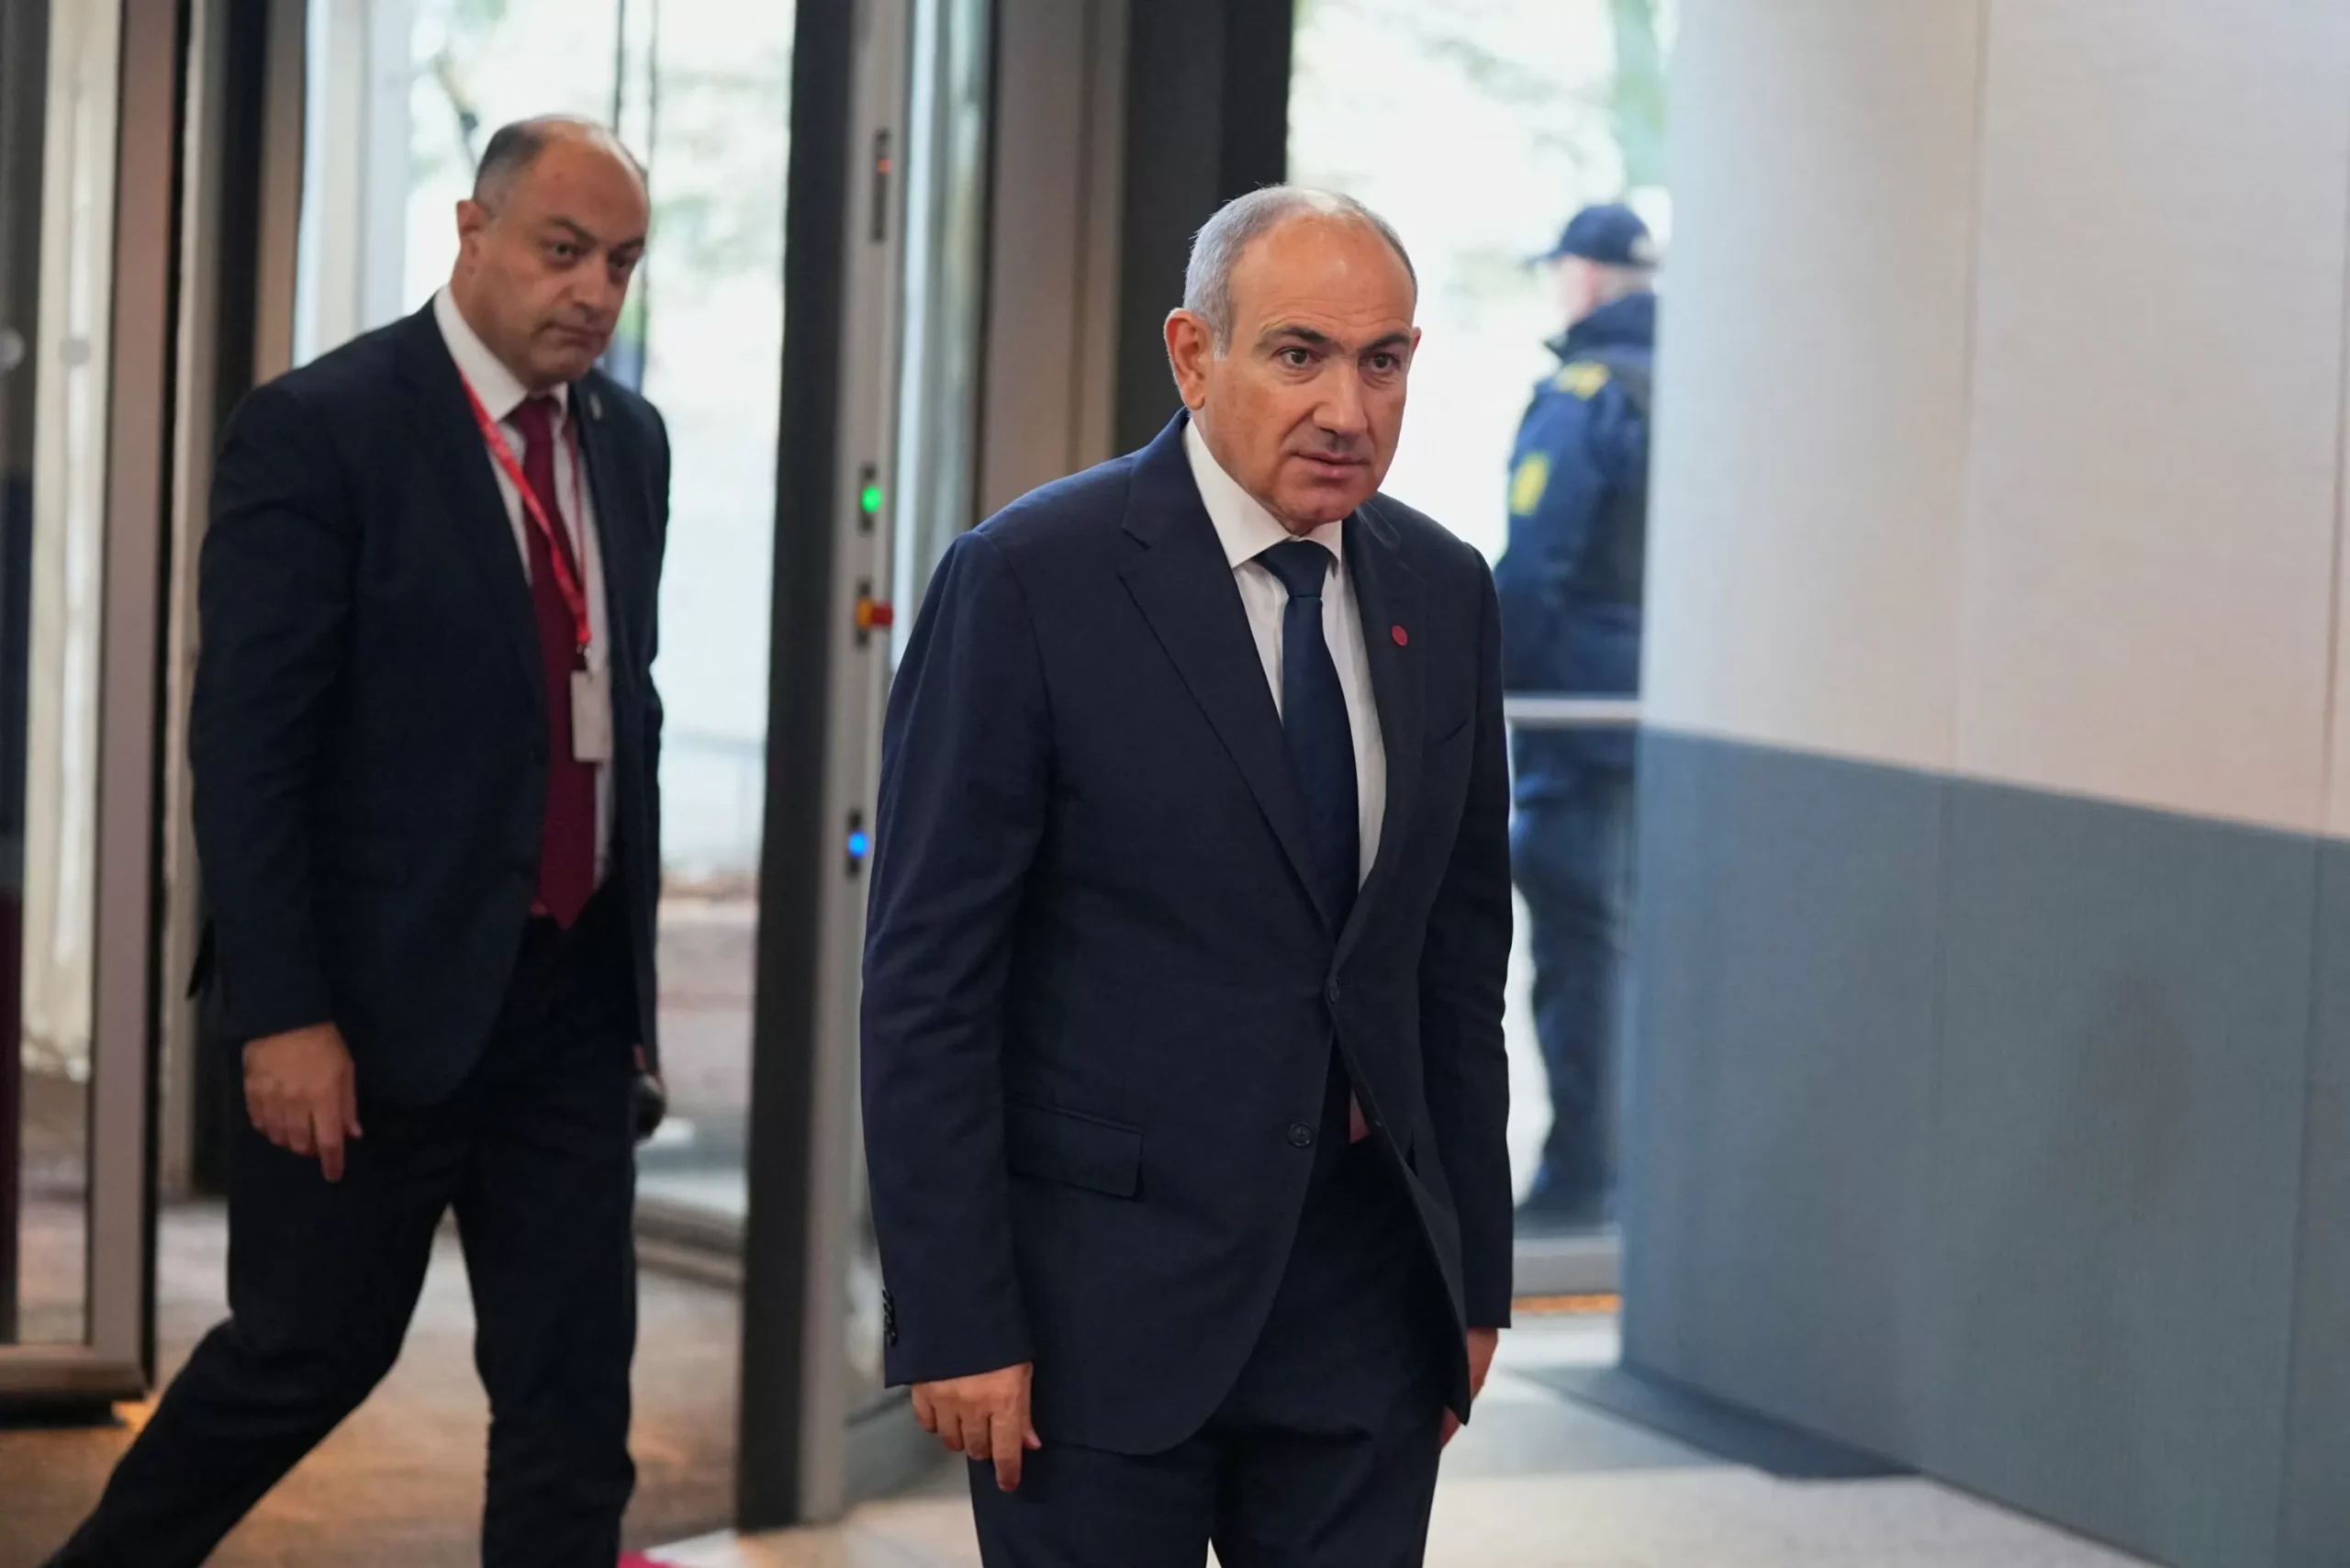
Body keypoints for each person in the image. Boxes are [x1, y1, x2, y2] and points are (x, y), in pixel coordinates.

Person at [47, 118, 669, 1568]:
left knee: (575, 1401)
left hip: (569, 1007)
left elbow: (614, 709)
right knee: (302, 1356)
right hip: (373, 1006)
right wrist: (282, 1013)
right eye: (563, 250)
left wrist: (629, 998)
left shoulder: (626, 442)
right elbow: (248, 747)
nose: (593, 291)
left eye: (622, 262)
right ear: (472, 231)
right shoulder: (323, 428)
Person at [862, 186, 1514, 1567]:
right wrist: (954, 1310)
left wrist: (1474, 1279)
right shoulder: (1029, 579)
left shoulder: (1444, 590)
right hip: (1094, 1312)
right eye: (1299, 355)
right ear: (1192, 353)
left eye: (1382, 361)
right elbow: (928, 986)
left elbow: (1455, 966)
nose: (1346, 408)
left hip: (1364, 1306)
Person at [1493, 201, 1658, 1233]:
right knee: (1643, 952)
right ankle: (1633, 1184)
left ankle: (1581, 1181)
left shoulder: (1586, 396)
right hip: (1677, 731)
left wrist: (1474, 697)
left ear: (1585, 277)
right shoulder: (1713, 388)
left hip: (1578, 727)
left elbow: (1533, 569)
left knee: (1580, 952)